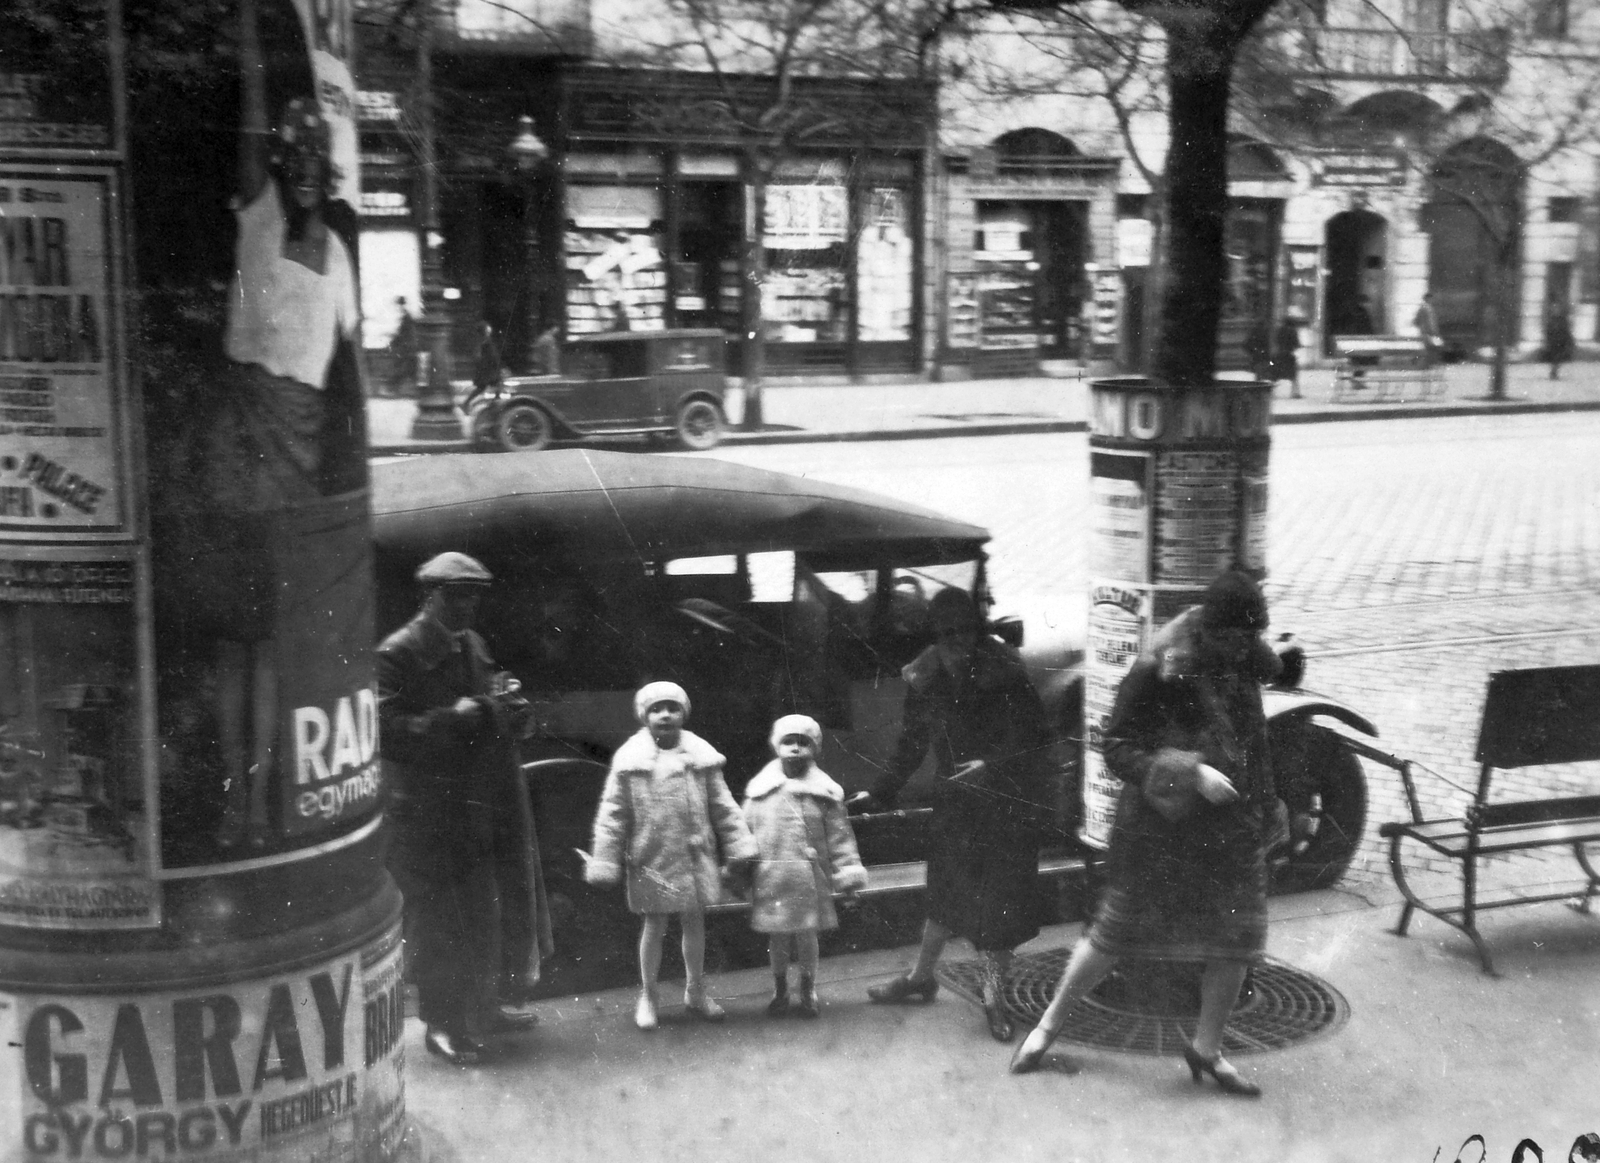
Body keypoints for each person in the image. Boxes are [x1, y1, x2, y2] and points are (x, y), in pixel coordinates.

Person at [1008, 570, 1292, 1096]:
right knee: (1115, 933)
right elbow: (1116, 747)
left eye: (1249, 639)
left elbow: (1254, 739)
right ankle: (1046, 1028)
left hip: (1233, 827)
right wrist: (1191, 773)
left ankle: (1206, 1051)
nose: (1240, 649)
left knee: (1237, 941)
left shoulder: (1246, 655)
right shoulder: (1159, 666)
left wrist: (1269, 801)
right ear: (1208, 628)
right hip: (1162, 831)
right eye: (1231, 638)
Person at [378, 552, 553, 1066]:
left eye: (475, 595)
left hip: (481, 796)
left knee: (485, 908)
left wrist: (511, 709)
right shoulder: (395, 653)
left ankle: (483, 1006)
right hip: (431, 807)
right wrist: (459, 718)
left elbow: (491, 699)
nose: (469, 605)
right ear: (429, 595)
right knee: (442, 919)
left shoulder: (472, 643)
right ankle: (443, 1025)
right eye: (458, 595)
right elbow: (384, 730)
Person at [856, 587, 1052, 1043]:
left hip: (1005, 801)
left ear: (977, 630)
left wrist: (992, 766)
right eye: (948, 634)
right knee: (946, 892)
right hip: (957, 803)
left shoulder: (1005, 670)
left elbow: (1038, 735)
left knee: (999, 905)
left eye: (965, 631)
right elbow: (912, 741)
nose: (958, 640)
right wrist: (881, 791)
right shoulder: (924, 676)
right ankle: (921, 978)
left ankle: (993, 994)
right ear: (936, 635)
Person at [585, 681, 758, 1030]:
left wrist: (740, 845)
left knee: (694, 923)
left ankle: (696, 990)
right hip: (652, 859)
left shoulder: (701, 758)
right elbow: (613, 814)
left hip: (695, 857)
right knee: (655, 924)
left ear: (683, 714)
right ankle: (648, 994)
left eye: (673, 708)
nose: (665, 714)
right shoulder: (630, 761)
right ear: (644, 716)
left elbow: (723, 807)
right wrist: (605, 858)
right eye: (656, 709)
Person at [741, 714, 869, 1019]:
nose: (795, 748)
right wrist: (739, 871)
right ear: (776, 746)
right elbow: (743, 835)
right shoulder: (760, 793)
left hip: (810, 879)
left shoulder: (824, 793)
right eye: (788, 741)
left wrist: (848, 880)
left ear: (814, 748)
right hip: (772, 877)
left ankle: (808, 988)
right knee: (778, 937)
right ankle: (780, 988)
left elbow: (841, 839)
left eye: (803, 742)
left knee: (807, 935)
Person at [462, 321, 504, 411]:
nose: (490, 331)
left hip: (487, 368)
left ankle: (495, 402)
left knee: (485, 387)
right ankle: (495, 403)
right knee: (496, 383)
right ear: (485, 331)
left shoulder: (484, 341)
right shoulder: (486, 342)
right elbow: (492, 355)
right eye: (488, 329)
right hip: (488, 369)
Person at [388, 297, 418, 396]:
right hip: (408, 346)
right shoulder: (406, 316)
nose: (398, 307)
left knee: (403, 368)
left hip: (408, 347)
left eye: (399, 305)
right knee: (407, 369)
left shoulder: (406, 316)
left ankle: (394, 389)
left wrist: (394, 339)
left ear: (402, 305)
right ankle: (396, 389)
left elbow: (404, 333)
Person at [1271, 316, 1301, 399]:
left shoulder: (1280, 330)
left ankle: (1272, 393)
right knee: (1293, 375)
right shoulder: (1293, 331)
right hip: (1289, 355)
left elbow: (1276, 341)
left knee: (1275, 375)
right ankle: (1295, 393)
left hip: (1279, 355)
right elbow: (1297, 343)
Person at [1545, 301, 1574, 380]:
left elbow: (1566, 331)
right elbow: (1548, 331)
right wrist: (1547, 341)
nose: (1556, 311)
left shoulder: (1562, 320)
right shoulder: (1551, 320)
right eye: (1554, 309)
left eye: (1557, 309)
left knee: (1558, 358)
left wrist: (1569, 340)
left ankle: (1554, 372)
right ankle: (1553, 372)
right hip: (1554, 341)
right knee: (1555, 358)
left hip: (1561, 341)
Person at [1413, 292, 1442, 368]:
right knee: (1430, 348)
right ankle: (1427, 364)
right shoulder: (1426, 308)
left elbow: (1416, 321)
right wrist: (1433, 331)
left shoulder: (1425, 308)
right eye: (1431, 299)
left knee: (1431, 348)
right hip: (1428, 332)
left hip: (1427, 332)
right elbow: (1429, 322)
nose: (1432, 300)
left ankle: (1428, 364)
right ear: (1427, 299)